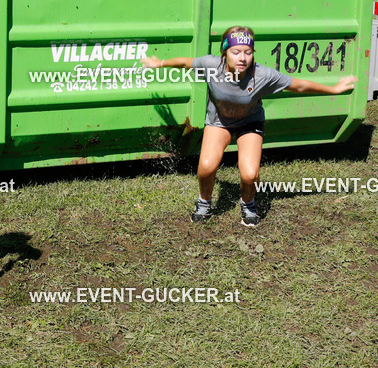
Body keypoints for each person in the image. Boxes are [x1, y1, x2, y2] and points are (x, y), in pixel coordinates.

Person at [141, 26, 355, 227]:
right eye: (236, 52)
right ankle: (204, 201)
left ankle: (248, 203)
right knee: (206, 166)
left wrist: (333, 89)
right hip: (219, 122)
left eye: (248, 52)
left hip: (249, 123)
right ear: (224, 53)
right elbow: (186, 62)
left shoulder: (262, 75)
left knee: (250, 174)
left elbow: (298, 85)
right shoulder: (211, 65)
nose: (242, 57)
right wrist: (161, 63)